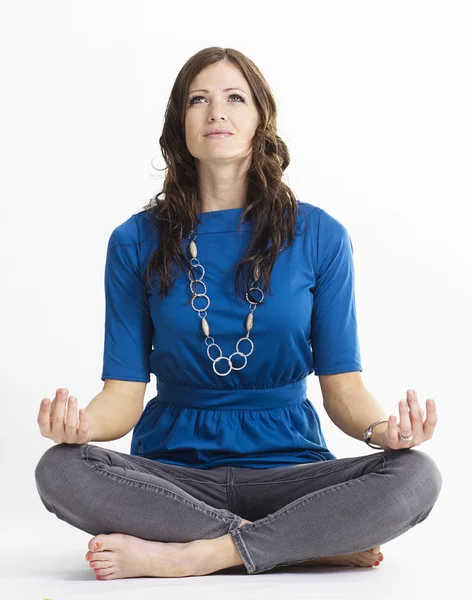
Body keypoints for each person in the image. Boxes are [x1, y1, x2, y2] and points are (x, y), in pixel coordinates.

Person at [34, 47, 442, 580]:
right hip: (172, 474)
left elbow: (344, 392)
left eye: (234, 98)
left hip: (289, 470)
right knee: (59, 469)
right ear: (179, 123)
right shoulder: (135, 240)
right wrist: (81, 425)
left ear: (260, 118)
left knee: (416, 476)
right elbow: (123, 397)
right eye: (197, 100)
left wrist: (384, 432)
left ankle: (203, 553)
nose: (216, 113)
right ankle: (305, 541)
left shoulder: (320, 236)